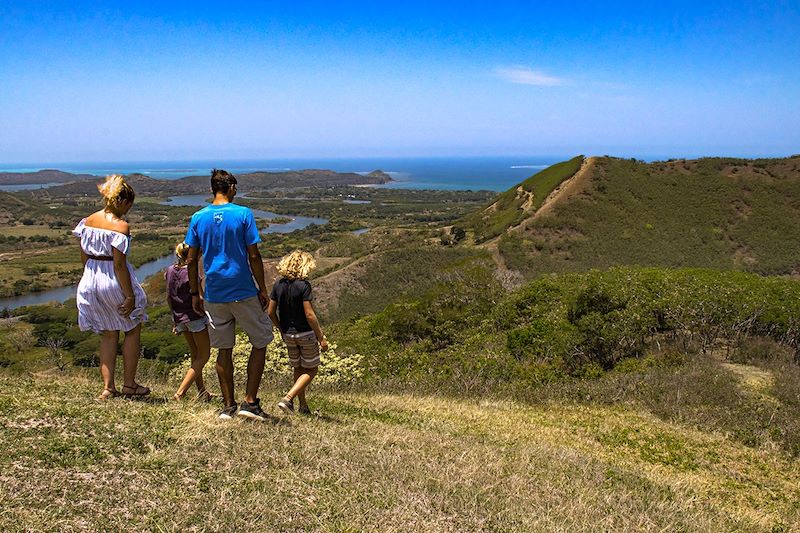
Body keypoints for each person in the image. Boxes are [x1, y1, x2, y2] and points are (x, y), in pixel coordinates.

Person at [185, 169, 273, 420]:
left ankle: (228, 406)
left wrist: (195, 292)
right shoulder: (243, 214)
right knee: (260, 341)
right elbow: (253, 255)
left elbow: (191, 259)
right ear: (231, 187)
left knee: (224, 349)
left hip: (214, 293)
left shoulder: (198, 218)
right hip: (242, 289)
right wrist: (263, 288)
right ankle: (250, 402)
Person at [72, 174, 150, 400]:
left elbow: (83, 257)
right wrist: (129, 296)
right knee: (132, 328)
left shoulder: (87, 222)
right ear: (121, 201)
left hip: (89, 280)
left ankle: (108, 387)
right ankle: (129, 384)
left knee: (108, 333)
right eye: (128, 205)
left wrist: (92, 276)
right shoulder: (120, 227)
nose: (128, 210)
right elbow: (119, 265)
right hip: (112, 280)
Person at [267, 250, 328, 415]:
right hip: (305, 333)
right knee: (312, 369)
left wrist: (281, 328)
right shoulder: (304, 286)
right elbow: (309, 314)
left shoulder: (278, 284)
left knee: (298, 368)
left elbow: (270, 312)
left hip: (288, 334)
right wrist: (321, 337)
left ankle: (303, 406)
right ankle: (288, 398)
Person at [167, 242, 213, 402]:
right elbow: (200, 298)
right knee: (205, 355)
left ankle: (202, 392)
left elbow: (168, 297)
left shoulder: (170, 270)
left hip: (179, 318)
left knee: (196, 355)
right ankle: (180, 393)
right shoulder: (192, 274)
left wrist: (175, 321)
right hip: (194, 317)